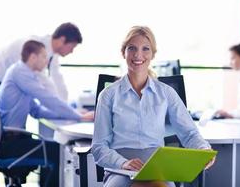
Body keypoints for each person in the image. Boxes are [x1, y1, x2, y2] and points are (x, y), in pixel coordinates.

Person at [91, 26, 214, 187]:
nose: (138, 55)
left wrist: (203, 150)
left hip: (157, 168)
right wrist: (123, 163)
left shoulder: (166, 93)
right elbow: (99, 146)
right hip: (120, 169)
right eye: (132, 48)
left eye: (145, 49)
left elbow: (189, 133)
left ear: (153, 54)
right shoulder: (108, 95)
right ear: (124, 53)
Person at [0, 40, 93, 186]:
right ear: (33, 57)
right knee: (57, 153)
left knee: (55, 148)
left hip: (12, 140)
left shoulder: (21, 73)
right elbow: (48, 98)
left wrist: (70, 113)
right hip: (9, 145)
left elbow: (37, 111)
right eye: (43, 56)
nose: (46, 60)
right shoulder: (20, 73)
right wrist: (78, 116)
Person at [0, 22, 82, 101]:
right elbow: (41, 80)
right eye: (72, 47)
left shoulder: (52, 54)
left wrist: (65, 105)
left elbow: (57, 78)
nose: (71, 51)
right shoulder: (34, 46)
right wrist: (63, 108)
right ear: (62, 40)